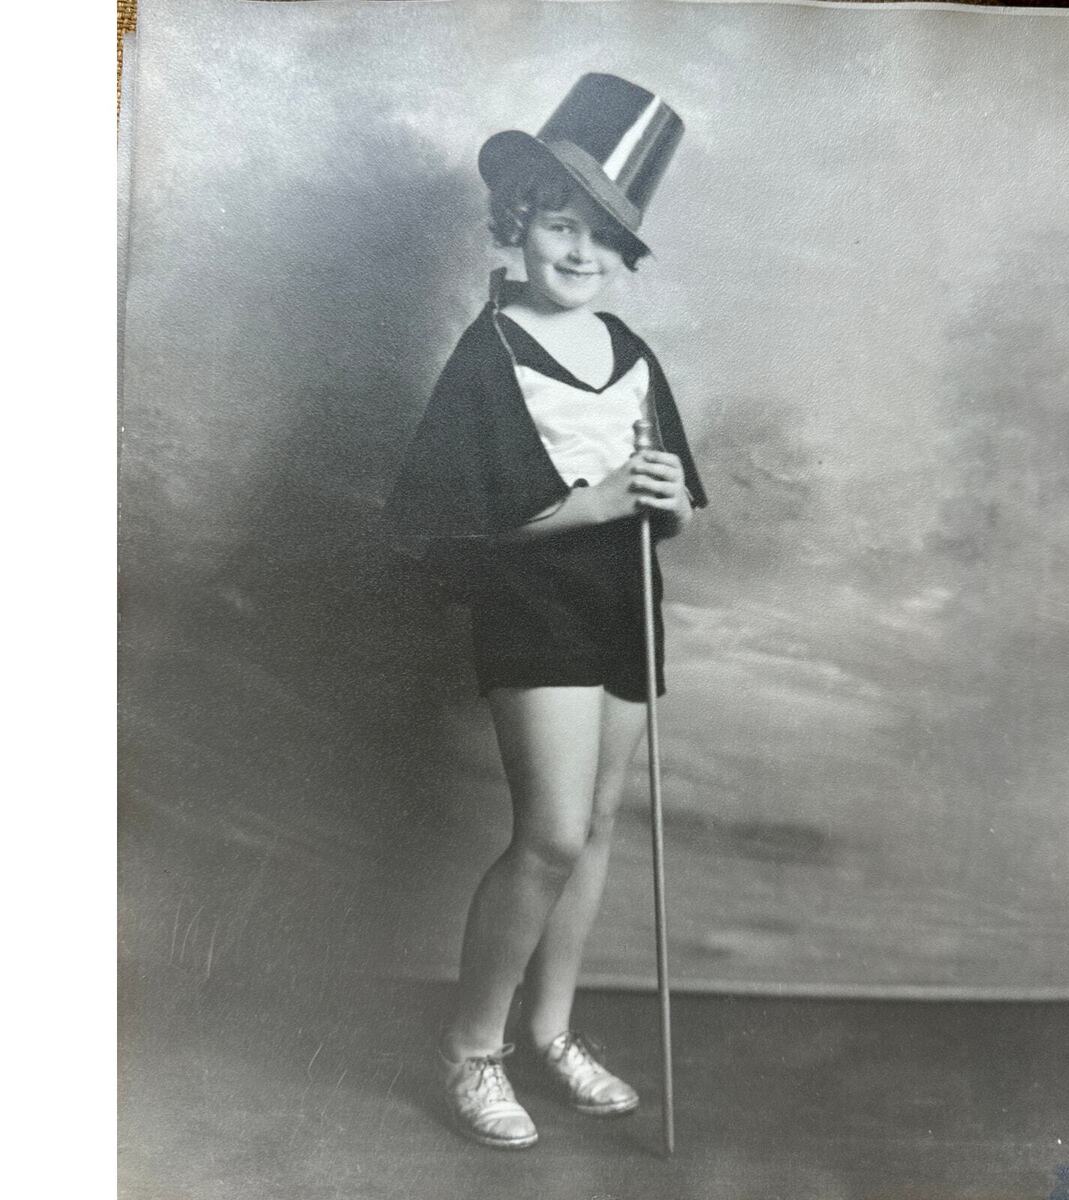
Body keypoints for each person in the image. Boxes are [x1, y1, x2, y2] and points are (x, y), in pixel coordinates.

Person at [386, 74, 708, 1150]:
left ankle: (550, 1030)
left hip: (624, 606)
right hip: (535, 611)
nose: (581, 252)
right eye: (563, 223)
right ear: (519, 219)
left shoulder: (631, 353)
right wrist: (596, 503)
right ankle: (471, 1048)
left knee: (599, 827)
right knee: (553, 835)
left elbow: (669, 507)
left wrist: (663, 504)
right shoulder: (490, 352)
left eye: (606, 238)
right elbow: (445, 518)